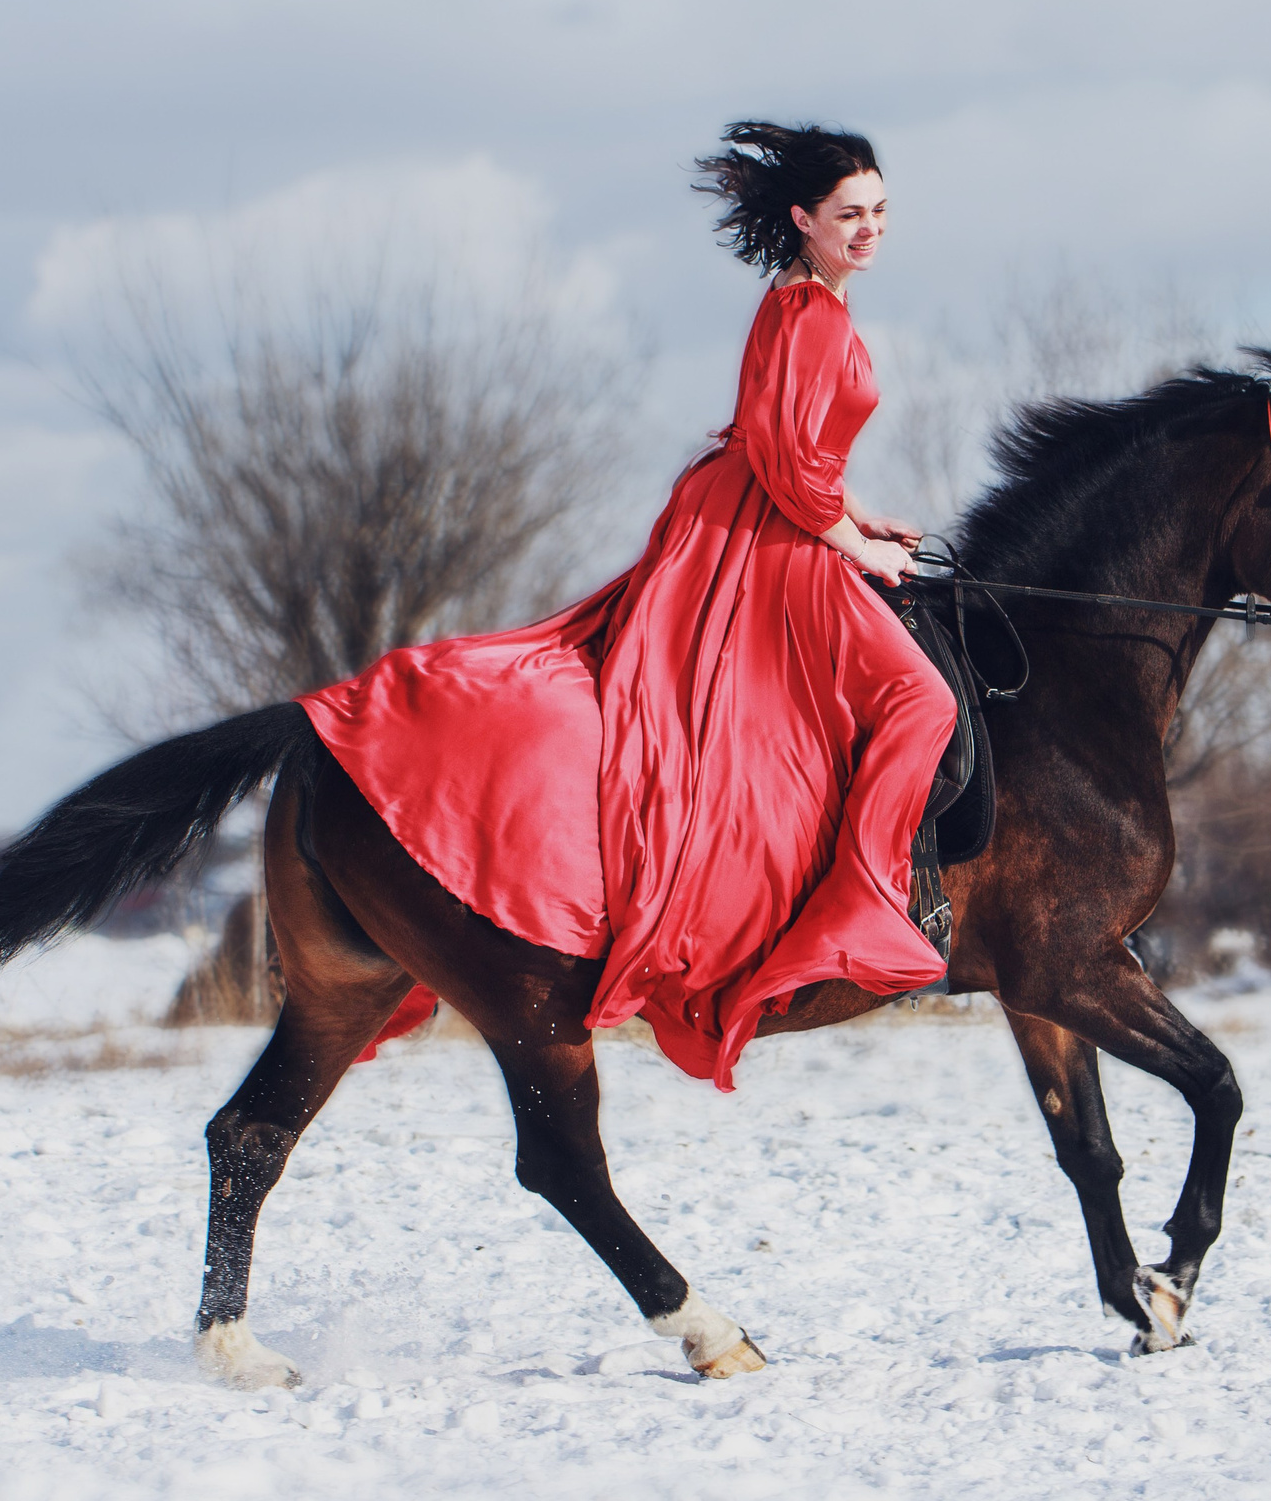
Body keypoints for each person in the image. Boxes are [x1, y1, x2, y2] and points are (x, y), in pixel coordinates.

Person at [299, 122, 957, 1088]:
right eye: (849, 214)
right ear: (803, 220)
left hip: (773, 511)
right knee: (924, 703)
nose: (869, 229)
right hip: (769, 534)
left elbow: (793, 442)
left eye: (880, 212)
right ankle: (867, 902)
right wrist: (848, 541)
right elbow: (781, 457)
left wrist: (866, 515)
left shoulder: (812, 305)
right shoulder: (810, 313)